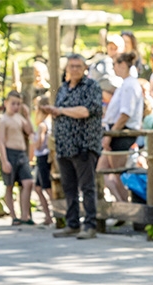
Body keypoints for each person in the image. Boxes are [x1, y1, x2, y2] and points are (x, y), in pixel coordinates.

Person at [40, 54, 104, 240]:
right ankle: (72, 223)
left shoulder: (91, 87)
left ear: (84, 68)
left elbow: (85, 111)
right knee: (69, 186)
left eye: (78, 66)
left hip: (83, 144)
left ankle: (90, 225)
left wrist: (61, 111)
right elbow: (61, 111)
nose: (74, 69)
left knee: (87, 187)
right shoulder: (63, 89)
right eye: (71, 66)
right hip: (64, 145)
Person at [100, 52, 143, 203]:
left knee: (118, 173)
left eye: (115, 65)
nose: (113, 68)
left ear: (123, 65)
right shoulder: (125, 84)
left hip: (121, 132)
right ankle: (119, 202)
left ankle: (126, 205)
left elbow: (125, 114)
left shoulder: (129, 86)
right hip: (115, 130)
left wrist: (110, 135)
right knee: (102, 169)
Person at [0, 91, 35, 225]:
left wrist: (27, 115)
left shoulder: (20, 118)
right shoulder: (4, 120)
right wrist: (4, 160)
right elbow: (1, 141)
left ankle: (25, 215)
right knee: (9, 185)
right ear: (6, 103)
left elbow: (30, 131)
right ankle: (14, 216)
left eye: (18, 104)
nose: (15, 106)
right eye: (13, 103)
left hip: (21, 154)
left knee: (28, 182)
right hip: (9, 153)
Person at [32, 106, 54, 225]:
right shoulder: (49, 123)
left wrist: (32, 140)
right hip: (45, 157)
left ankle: (57, 213)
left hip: (43, 157)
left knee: (47, 188)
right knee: (38, 188)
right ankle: (48, 216)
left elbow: (39, 145)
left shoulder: (42, 126)